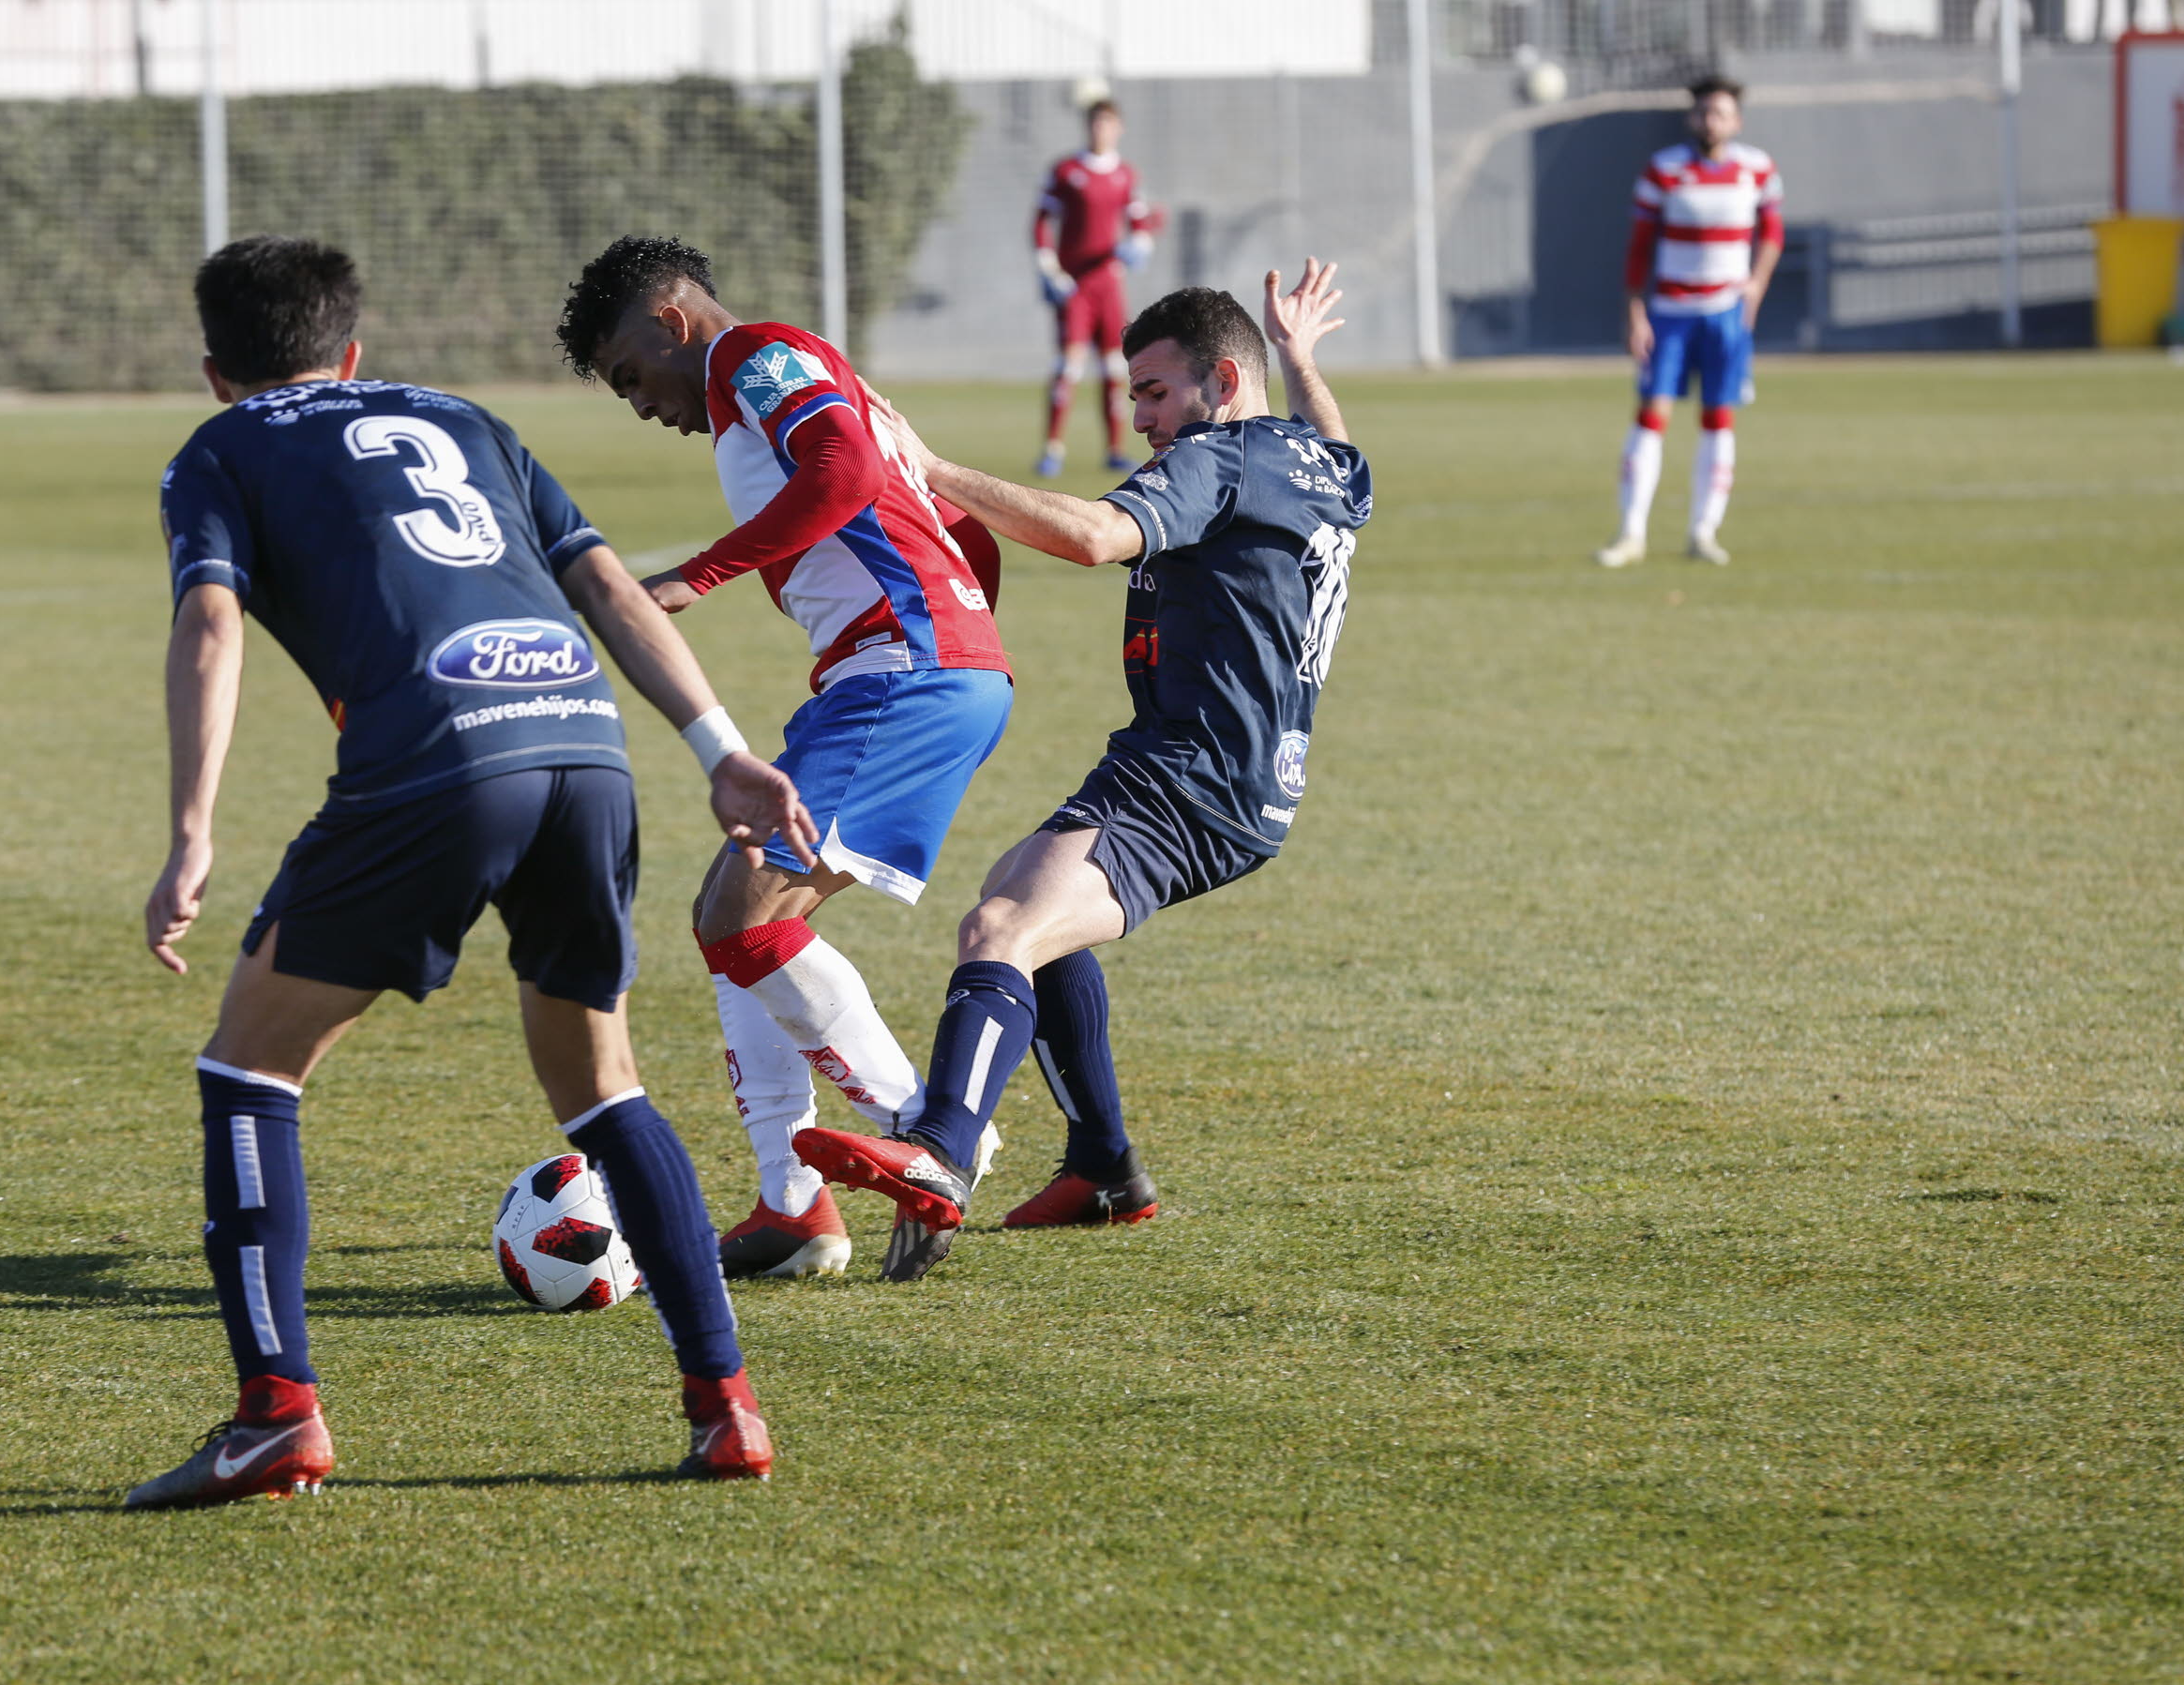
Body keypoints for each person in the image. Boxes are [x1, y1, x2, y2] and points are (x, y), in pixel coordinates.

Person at [126, 235, 815, 1504]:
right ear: (351, 352)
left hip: (436, 757)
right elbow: (607, 585)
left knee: (248, 1064)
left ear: (216, 369)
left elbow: (210, 620)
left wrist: (190, 830)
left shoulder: (217, 452)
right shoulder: (467, 419)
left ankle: (275, 1416)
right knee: (601, 1083)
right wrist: (720, 751)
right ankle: (727, 1409)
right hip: (584, 749)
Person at [792, 263, 1367, 1282]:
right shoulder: (1311, 461)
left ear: (1222, 385)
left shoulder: (1223, 460)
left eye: (1154, 392)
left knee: (1002, 932)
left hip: (1196, 778)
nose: (1140, 416)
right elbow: (1340, 444)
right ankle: (1102, 1166)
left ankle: (940, 1155)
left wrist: (929, 468)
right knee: (1017, 899)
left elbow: (1099, 536)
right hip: (1212, 769)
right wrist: (1303, 360)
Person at [555, 235, 1017, 1282]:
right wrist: (964, 620)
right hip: (914, 665)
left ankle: (934, 1132)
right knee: (736, 919)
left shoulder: (757, 357)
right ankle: (793, 1205)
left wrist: (692, 578)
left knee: (736, 917)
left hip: (907, 670)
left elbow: (846, 467)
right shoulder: (774, 376)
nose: (639, 404)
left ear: (670, 322)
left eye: (630, 375)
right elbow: (929, 511)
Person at [1597, 76, 1782, 570]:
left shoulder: (1757, 169)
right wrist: (1636, 311)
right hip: (1671, 313)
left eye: (1720, 113)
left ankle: (1704, 530)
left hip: (1727, 314)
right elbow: (1639, 249)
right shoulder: (1665, 170)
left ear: (1736, 120)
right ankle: (1631, 532)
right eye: (1703, 112)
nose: (1710, 121)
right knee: (1652, 415)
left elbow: (1772, 233)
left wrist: (1757, 283)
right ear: (1691, 117)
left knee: (1718, 418)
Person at [1032, 98, 1165, 477]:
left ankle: (1115, 448)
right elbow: (1041, 222)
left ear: (1118, 128)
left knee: (1113, 368)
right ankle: (1052, 449)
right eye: (1094, 122)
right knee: (1068, 366)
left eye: (1106, 123)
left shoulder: (1125, 174)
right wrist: (1049, 268)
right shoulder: (1066, 170)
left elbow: (1138, 223)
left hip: (1109, 286)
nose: (1099, 130)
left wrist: (1140, 244)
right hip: (1075, 287)